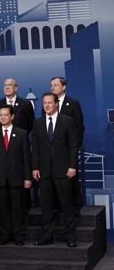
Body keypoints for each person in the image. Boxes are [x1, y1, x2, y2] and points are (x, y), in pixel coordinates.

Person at [32, 92, 79, 247]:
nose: (46, 105)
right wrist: (35, 167)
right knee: (46, 206)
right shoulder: (37, 123)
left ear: (56, 104)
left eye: (49, 102)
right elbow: (36, 147)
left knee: (66, 205)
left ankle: (70, 236)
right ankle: (47, 236)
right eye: (44, 102)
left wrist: (72, 166)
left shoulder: (68, 121)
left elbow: (73, 146)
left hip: (63, 170)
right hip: (44, 171)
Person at [0, 105, 32, 245]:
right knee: (3, 210)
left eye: (6, 115)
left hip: (17, 178)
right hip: (0, 179)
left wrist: (27, 177)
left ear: (12, 116)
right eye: (0, 115)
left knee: (18, 209)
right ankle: (4, 236)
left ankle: (19, 236)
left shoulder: (21, 133)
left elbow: (26, 157)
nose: (3, 117)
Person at [50, 76, 85, 214]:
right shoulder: (48, 104)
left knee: (71, 181)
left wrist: (74, 147)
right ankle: (57, 208)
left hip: (68, 151)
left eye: (56, 85)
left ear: (63, 87)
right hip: (53, 152)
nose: (52, 87)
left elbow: (79, 128)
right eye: (51, 85)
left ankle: (75, 209)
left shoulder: (73, 103)